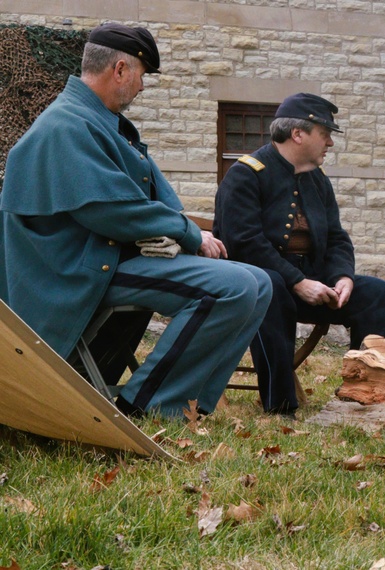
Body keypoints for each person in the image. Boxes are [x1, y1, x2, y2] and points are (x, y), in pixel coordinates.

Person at [0, 23, 272, 419]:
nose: (142, 88)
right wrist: (188, 233)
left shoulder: (92, 120)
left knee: (259, 283)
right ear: (121, 69)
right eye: (142, 76)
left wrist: (183, 230)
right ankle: (148, 406)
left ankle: (194, 404)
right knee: (232, 287)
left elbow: (135, 199)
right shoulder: (66, 125)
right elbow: (109, 210)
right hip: (76, 271)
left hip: (107, 257)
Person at [214, 93, 385, 416]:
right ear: (298, 134)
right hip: (258, 283)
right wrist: (297, 281)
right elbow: (245, 243)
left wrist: (343, 276)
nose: (330, 143)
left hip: (311, 281)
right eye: (324, 134)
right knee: (270, 285)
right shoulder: (246, 174)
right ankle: (280, 405)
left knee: (375, 292)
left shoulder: (317, 180)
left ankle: (368, 394)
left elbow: (338, 237)